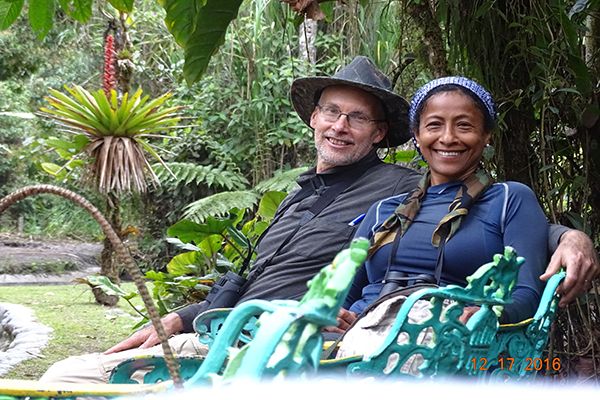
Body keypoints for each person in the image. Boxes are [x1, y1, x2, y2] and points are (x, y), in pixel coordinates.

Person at [40, 58, 598, 384]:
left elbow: (499, 223)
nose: (340, 125)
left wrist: (570, 235)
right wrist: (185, 317)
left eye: (358, 117)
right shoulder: (323, 202)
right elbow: (260, 277)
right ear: (313, 117)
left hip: (326, 346)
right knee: (66, 376)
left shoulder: (398, 185)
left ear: (382, 134)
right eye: (332, 111)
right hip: (250, 328)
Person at [343, 76, 547, 325]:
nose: (448, 138)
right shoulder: (383, 212)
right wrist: (338, 318)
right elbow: (341, 296)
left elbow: (527, 294)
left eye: (464, 126)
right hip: (362, 332)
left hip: (448, 338)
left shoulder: (508, 200)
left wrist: (488, 315)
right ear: (416, 135)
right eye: (434, 125)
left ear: (486, 136)